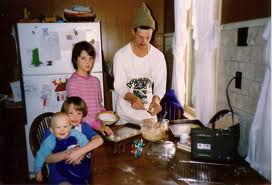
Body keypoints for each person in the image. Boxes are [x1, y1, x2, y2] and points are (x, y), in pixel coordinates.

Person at [113, 2, 167, 124]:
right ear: (133, 32)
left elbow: (160, 85)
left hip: (148, 115)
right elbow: (120, 85)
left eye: (148, 37)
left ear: (152, 33)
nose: (144, 41)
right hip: (124, 116)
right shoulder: (121, 55)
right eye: (140, 36)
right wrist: (132, 98)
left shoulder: (158, 56)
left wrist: (156, 101)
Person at [44, 97, 104, 185]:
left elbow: (99, 140)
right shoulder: (53, 130)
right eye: (71, 113)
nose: (75, 117)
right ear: (64, 113)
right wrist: (68, 153)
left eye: (79, 113)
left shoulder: (83, 127)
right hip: (59, 172)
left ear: (83, 114)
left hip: (80, 170)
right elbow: (46, 158)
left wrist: (80, 152)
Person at [66, 41, 113, 135]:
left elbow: (98, 105)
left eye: (90, 58)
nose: (88, 62)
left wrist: (106, 113)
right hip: (81, 129)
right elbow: (77, 112)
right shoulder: (73, 83)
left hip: (97, 127)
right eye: (83, 58)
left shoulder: (95, 81)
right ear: (75, 59)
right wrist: (98, 126)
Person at [35, 112, 92, 184]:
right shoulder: (50, 140)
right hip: (60, 168)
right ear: (52, 130)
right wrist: (38, 170)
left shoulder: (75, 133)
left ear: (70, 127)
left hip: (76, 165)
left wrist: (82, 153)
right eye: (58, 127)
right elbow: (41, 155)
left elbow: (85, 142)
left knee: (88, 174)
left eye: (65, 127)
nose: (62, 130)